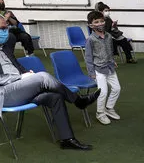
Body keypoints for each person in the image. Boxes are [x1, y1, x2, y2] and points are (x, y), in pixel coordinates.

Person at [0, 16, 99, 150]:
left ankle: (67, 139)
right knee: (43, 78)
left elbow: (15, 66)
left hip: (18, 90)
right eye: (2, 28)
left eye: (6, 27)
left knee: (55, 98)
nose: (6, 31)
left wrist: (25, 73)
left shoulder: (4, 48)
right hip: (5, 95)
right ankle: (79, 101)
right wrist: (22, 78)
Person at [85, 11, 122, 125]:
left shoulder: (108, 36)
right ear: (91, 25)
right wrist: (92, 73)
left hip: (109, 67)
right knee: (103, 92)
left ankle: (109, 108)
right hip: (98, 70)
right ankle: (100, 113)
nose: (100, 23)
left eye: (102, 21)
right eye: (96, 22)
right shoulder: (90, 39)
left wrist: (112, 60)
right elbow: (88, 57)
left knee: (117, 88)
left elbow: (109, 50)